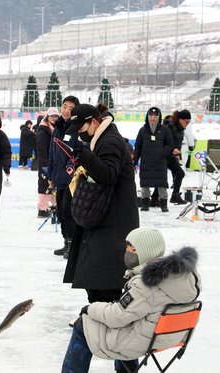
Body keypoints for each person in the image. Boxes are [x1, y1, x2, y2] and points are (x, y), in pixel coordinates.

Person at [61, 228, 201, 373]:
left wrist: (90, 309)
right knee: (131, 320)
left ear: (148, 251)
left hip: (143, 341)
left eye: (133, 249)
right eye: (127, 248)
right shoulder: (185, 276)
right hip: (172, 336)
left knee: (82, 324)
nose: (127, 253)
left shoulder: (146, 284)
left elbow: (117, 317)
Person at [63, 103, 139, 306]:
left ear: (93, 122)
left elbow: (108, 174)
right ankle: (98, 316)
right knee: (94, 273)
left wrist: (84, 157)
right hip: (104, 214)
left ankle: (106, 319)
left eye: (81, 129)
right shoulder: (101, 139)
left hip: (115, 219)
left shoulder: (110, 141)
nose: (80, 134)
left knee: (106, 276)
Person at [48, 96, 80, 258]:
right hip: (59, 177)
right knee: (60, 211)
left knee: (69, 211)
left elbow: (76, 151)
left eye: (71, 108)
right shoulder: (58, 127)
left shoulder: (76, 128)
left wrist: (70, 165)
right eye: (64, 106)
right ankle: (66, 242)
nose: (66, 111)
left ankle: (74, 245)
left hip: (72, 178)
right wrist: (50, 174)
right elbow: (52, 152)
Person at [134, 107, 174, 212]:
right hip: (146, 163)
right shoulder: (142, 130)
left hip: (160, 163)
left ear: (159, 117)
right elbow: (138, 147)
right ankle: (145, 204)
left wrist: (163, 153)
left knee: (162, 184)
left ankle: (164, 205)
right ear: (147, 117)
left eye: (155, 116)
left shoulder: (164, 130)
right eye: (151, 116)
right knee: (145, 184)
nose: (153, 118)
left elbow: (170, 144)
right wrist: (134, 161)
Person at [36, 107, 59, 217]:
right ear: (47, 117)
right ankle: (42, 209)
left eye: (56, 116)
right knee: (45, 185)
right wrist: (45, 165)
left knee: (55, 185)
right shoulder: (43, 130)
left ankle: (55, 207)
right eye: (52, 116)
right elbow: (41, 150)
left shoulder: (55, 129)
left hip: (54, 163)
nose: (54, 118)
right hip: (46, 163)